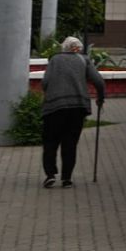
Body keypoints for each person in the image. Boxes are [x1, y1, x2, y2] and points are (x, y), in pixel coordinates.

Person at [41, 36, 106, 189]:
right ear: (79, 48)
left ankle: (50, 175)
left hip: (54, 107)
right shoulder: (84, 60)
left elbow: (45, 82)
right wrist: (100, 98)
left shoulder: (55, 59)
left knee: (50, 142)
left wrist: (50, 92)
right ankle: (67, 179)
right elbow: (99, 82)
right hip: (78, 107)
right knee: (70, 143)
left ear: (64, 47)